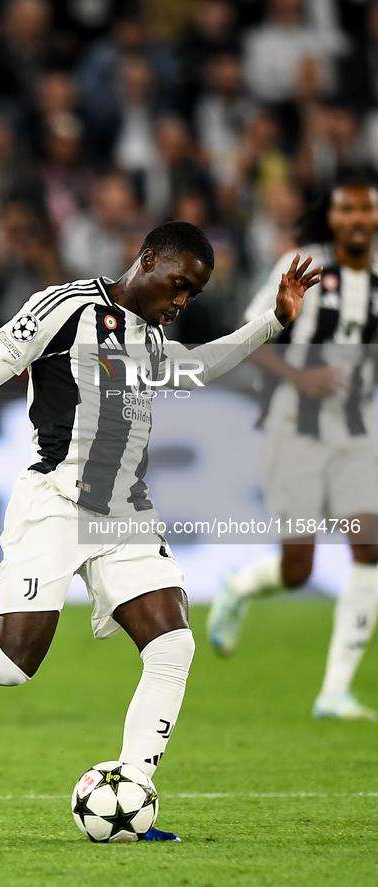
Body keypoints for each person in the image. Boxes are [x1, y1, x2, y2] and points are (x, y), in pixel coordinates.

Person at [0, 221, 320, 841]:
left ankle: (132, 793)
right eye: (178, 284)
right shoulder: (64, 308)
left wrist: (271, 322)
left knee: (172, 648)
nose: (180, 301)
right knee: (12, 664)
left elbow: (194, 368)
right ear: (148, 260)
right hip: (54, 503)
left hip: (126, 514)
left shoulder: (152, 339)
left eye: (191, 294)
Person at [207, 179, 378, 720]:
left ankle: (334, 692)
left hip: (355, 432)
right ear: (331, 218)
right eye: (346, 209)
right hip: (294, 426)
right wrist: (301, 380)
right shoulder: (303, 263)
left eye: (365, 210)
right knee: (298, 568)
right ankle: (237, 587)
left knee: (369, 547)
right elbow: (250, 336)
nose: (355, 219)